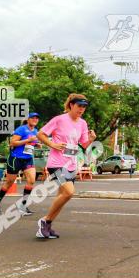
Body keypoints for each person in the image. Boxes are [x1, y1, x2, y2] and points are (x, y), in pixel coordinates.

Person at [35, 94, 97, 239]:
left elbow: (84, 144)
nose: (82, 109)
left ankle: (46, 226)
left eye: (84, 107)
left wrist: (92, 139)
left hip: (71, 164)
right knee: (69, 192)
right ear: (71, 105)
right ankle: (44, 221)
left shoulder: (82, 123)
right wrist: (53, 144)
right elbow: (41, 134)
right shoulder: (59, 120)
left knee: (63, 196)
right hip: (56, 163)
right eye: (79, 106)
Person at [0, 112, 41, 216]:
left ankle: (23, 206)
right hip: (15, 159)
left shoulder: (36, 131)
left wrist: (36, 144)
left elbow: (29, 144)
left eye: (37, 118)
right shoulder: (21, 129)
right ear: (28, 119)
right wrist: (28, 140)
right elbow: (12, 143)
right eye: (33, 118)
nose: (35, 119)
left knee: (31, 180)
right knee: (9, 182)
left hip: (28, 159)